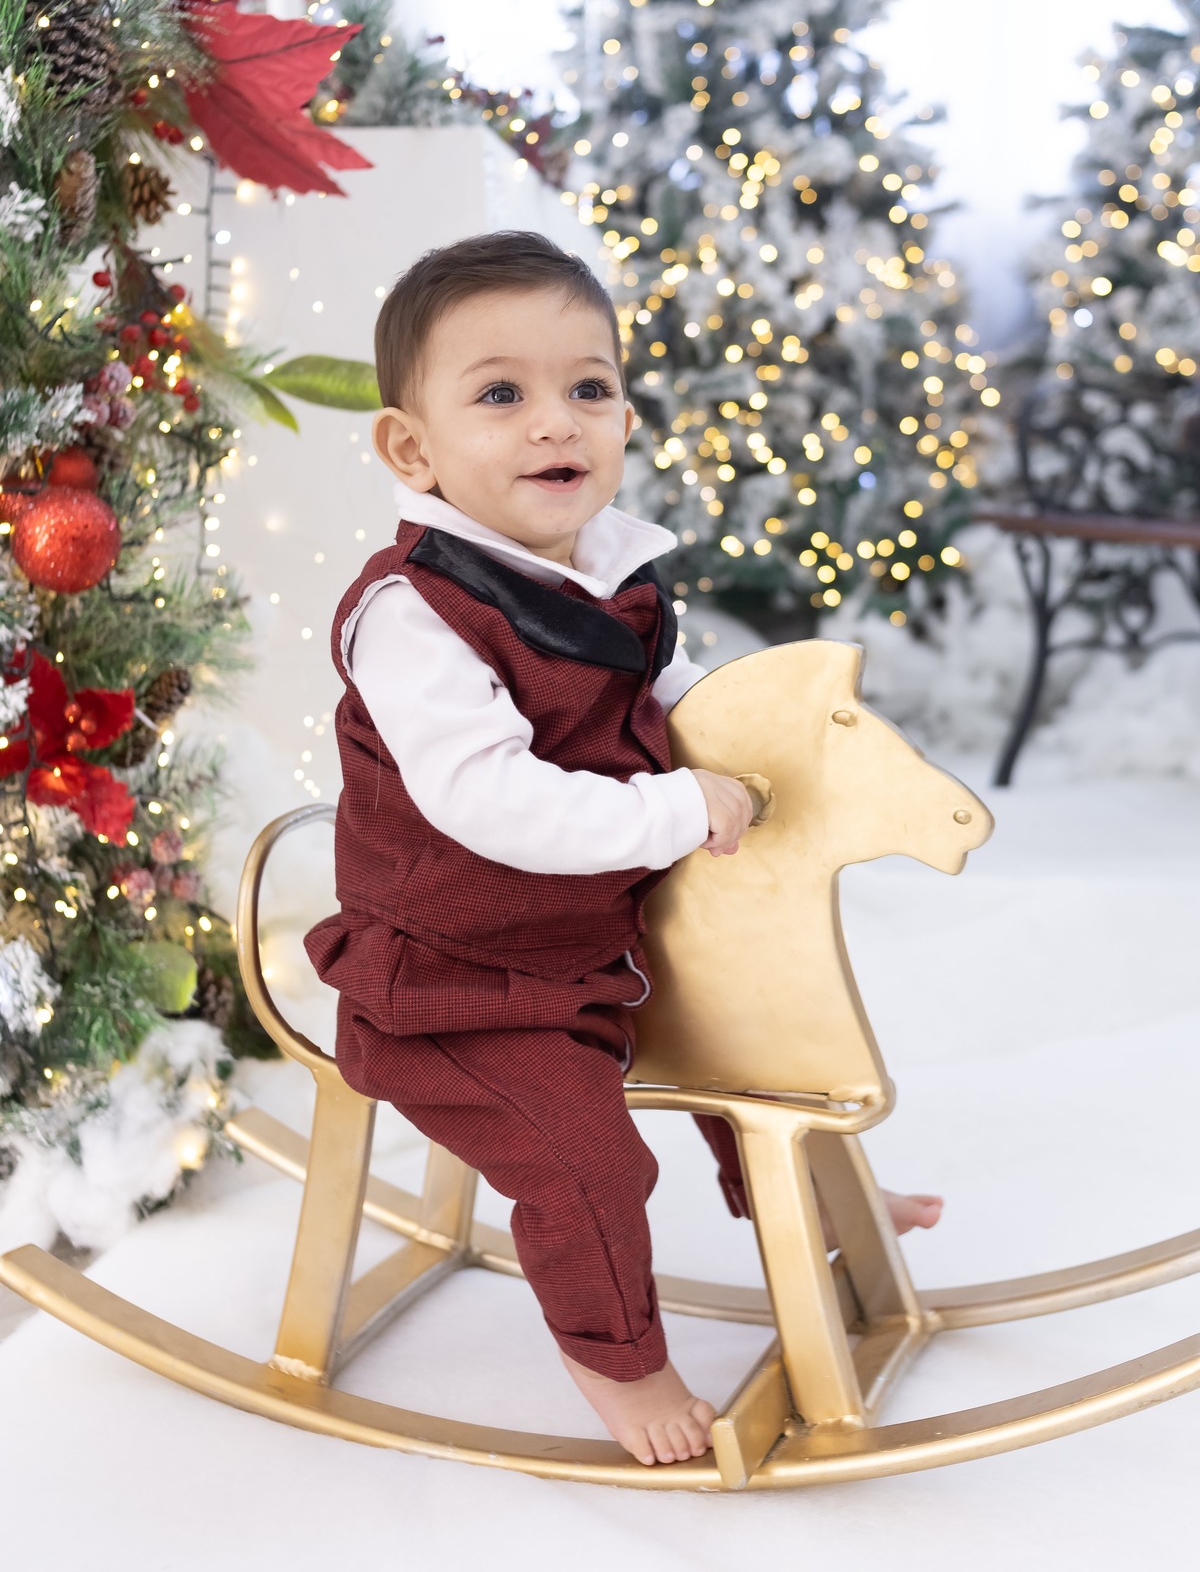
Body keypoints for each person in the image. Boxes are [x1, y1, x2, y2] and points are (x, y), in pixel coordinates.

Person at [305, 231, 942, 1469]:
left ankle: (817, 1196)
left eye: (588, 388)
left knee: (756, 1023)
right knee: (590, 1162)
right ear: (411, 449)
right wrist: (675, 810)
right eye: (502, 394)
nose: (558, 422)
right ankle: (618, 1359)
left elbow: (673, 699)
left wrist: (759, 744)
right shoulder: (411, 613)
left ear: (626, 418)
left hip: (592, 941)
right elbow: (488, 799)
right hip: (454, 980)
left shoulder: (613, 578)